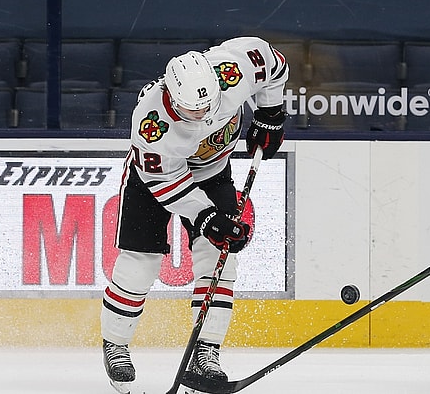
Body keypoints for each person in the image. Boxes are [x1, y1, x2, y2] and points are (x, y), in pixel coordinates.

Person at [100, 37, 289, 394]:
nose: (202, 116)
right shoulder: (151, 122)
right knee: (141, 261)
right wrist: (206, 217)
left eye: (208, 107)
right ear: (172, 97)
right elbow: (166, 184)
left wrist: (270, 114)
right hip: (156, 181)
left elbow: (275, 64)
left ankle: (207, 350)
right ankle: (116, 344)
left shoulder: (233, 69)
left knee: (219, 254)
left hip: (213, 171)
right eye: (192, 112)